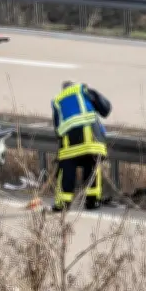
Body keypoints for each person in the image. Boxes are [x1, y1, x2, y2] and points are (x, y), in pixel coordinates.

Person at [51, 80, 112, 212]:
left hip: (71, 144)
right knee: (92, 168)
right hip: (93, 141)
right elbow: (106, 109)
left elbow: (57, 128)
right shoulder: (83, 90)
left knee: (66, 172)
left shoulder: (57, 101)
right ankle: (92, 201)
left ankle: (62, 204)